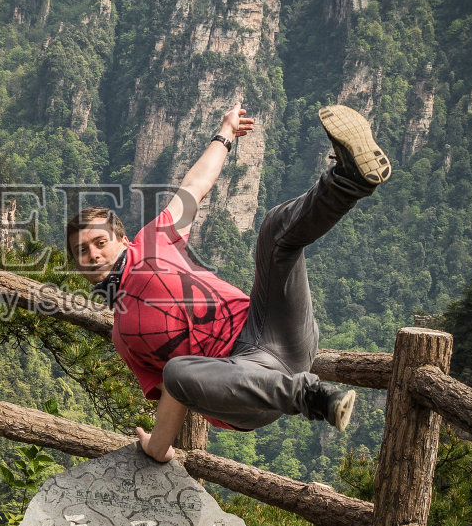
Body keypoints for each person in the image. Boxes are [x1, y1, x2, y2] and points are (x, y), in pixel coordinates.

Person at [66, 104, 391, 463]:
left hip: (272, 330)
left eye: (100, 243)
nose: (93, 255)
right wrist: (157, 447)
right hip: (246, 392)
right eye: (82, 252)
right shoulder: (123, 336)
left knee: (274, 231)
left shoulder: (154, 238)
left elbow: (195, 185)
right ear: (78, 267)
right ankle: (314, 398)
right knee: (177, 370)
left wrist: (224, 134)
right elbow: (177, 389)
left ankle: (347, 181)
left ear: (123, 240)